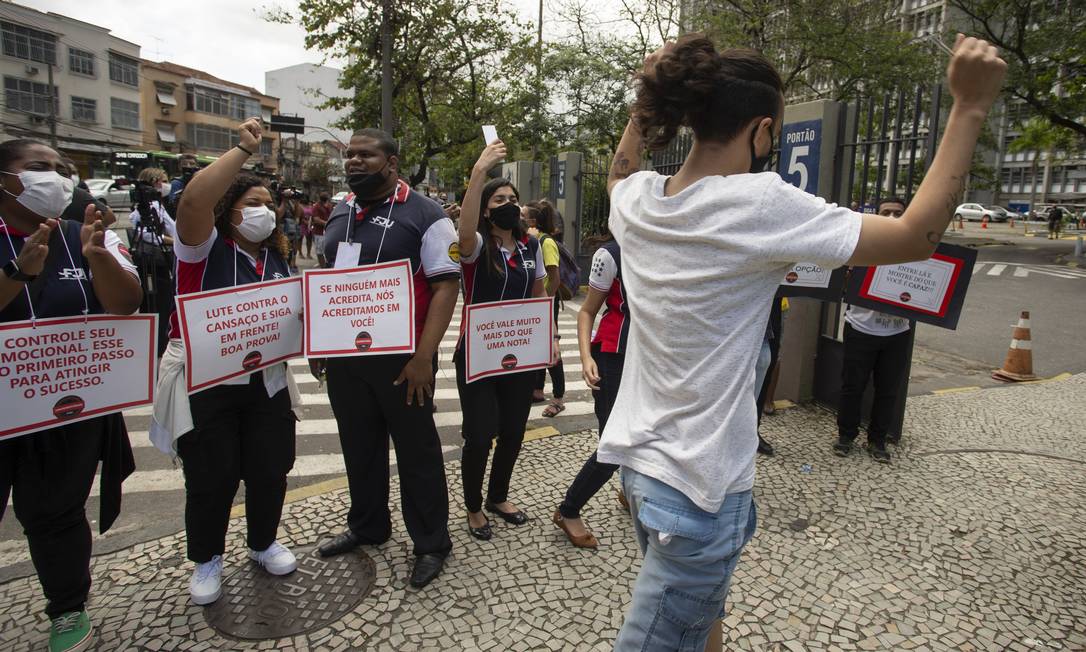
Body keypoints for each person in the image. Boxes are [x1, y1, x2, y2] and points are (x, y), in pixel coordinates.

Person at [598, 34, 1005, 650]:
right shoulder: (761, 203)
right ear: (762, 132)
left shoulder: (637, 202)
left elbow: (619, 171)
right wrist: (969, 108)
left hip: (641, 472)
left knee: (700, 623)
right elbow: (917, 235)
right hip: (702, 492)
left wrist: (642, 108)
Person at [150, 118, 300, 606]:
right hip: (207, 382)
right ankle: (207, 560)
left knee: (269, 467)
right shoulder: (202, 249)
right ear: (227, 212)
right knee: (212, 477)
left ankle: (262, 543)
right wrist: (241, 151)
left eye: (269, 204)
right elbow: (192, 202)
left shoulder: (275, 258)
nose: (265, 212)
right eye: (252, 204)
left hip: (266, 382)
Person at [0, 139, 141, 652]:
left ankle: (66, 608)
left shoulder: (87, 233)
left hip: (65, 406)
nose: (56, 178)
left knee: (57, 511)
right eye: (38, 168)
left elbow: (126, 303)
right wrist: (18, 275)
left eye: (61, 169)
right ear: (5, 179)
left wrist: (98, 254)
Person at [313, 128, 459, 589]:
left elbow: (445, 286)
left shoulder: (427, 215)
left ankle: (432, 543)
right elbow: (326, 280)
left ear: (391, 163)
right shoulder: (341, 210)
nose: (354, 161)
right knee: (359, 446)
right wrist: (321, 344)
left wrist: (423, 357)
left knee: (417, 453)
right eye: (350, 154)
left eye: (366, 154)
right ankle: (368, 525)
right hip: (346, 360)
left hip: (403, 361)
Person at [455, 141, 551, 541]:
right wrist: (480, 171)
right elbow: (463, 230)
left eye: (513, 197)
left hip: (521, 355)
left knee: (513, 430)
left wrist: (550, 342)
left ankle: (498, 496)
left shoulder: (531, 246)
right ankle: (474, 506)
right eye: (499, 198)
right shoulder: (477, 246)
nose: (508, 203)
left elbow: (539, 294)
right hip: (478, 356)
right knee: (479, 434)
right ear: (486, 207)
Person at [553, 232, 628, 548]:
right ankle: (568, 509)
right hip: (612, 356)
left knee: (648, 432)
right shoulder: (609, 255)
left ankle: (631, 492)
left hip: (651, 359)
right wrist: (585, 358)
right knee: (614, 444)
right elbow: (586, 311)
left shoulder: (666, 248)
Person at [834, 197, 912, 463]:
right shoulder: (862, 246)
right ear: (875, 215)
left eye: (897, 213)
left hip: (897, 333)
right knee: (852, 386)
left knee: (888, 389)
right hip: (861, 327)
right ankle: (846, 436)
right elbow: (839, 281)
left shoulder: (915, 251)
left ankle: (877, 440)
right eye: (885, 212)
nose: (891, 216)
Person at [128, 168, 178, 357]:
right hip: (151, 261)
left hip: (160, 259)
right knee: (156, 301)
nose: (166, 184)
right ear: (155, 181)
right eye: (164, 180)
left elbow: (171, 227)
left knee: (164, 300)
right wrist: (173, 242)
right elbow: (148, 234)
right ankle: (157, 343)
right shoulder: (148, 208)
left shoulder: (159, 205)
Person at [527, 200, 567, 416]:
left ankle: (559, 397)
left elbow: (554, 278)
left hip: (545, 304)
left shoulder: (546, 243)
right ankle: (538, 389)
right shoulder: (531, 240)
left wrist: (545, 303)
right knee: (538, 346)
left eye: (523, 216)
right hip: (537, 304)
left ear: (533, 221)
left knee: (552, 350)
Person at [277, 188, 302, 270]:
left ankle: (289, 266)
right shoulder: (278, 201)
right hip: (281, 230)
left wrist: (297, 202)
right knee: (282, 251)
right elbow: (278, 216)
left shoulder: (291, 202)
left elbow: (297, 215)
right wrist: (284, 200)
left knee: (291, 250)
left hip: (290, 230)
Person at [311, 192, 330, 267]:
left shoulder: (329, 205)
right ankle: (323, 267)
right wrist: (327, 223)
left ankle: (326, 265)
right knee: (320, 252)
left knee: (327, 250)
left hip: (328, 232)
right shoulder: (316, 206)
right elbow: (316, 219)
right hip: (319, 232)